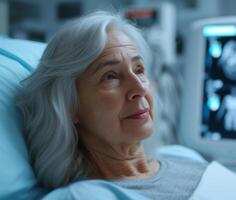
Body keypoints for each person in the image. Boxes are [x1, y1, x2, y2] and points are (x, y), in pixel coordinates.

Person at [16, 11, 207, 200]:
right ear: (69, 106)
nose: (139, 88)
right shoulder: (81, 196)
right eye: (110, 76)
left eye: (139, 69)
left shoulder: (182, 155)